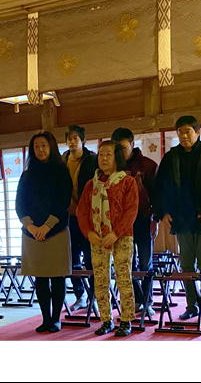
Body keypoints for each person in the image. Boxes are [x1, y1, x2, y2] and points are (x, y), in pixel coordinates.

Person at [155, 115, 201, 322]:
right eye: (180, 132)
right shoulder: (171, 157)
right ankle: (191, 305)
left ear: (197, 132)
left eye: (188, 131)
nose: (184, 136)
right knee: (186, 264)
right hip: (181, 218)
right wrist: (164, 212)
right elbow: (162, 187)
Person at [76, 139, 141, 336]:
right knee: (100, 280)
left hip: (121, 237)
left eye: (108, 154)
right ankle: (106, 320)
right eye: (101, 154)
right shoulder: (90, 184)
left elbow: (131, 211)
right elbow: (82, 212)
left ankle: (126, 320)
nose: (103, 158)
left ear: (116, 158)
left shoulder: (128, 182)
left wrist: (115, 233)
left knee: (123, 278)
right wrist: (89, 233)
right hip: (97, 238)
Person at [16, 131, 73, 334]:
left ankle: (56, 319)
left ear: (51, 147)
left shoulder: (60, 170)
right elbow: (20, 203)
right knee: (40, 278)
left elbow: (63, 200)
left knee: (57, 278)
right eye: (36, 146)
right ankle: (45, 319)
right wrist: (31, 226)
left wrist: (47, 226)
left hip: (56, 231)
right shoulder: (27, 174)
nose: (40, 149)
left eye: (44, 146)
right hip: (32, 233)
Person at [111, 127, 157, 319]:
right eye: (117, 148)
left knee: (145, 264)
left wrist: (156, 219)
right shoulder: (112, 168)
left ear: (131, 143)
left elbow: (157, 195)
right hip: (121, 224)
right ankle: (136, 300)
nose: (120, 152)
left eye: (123, 147)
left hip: (144, 220)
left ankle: (148, 302)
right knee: (126, 264)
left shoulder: (147, 165)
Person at [61, 125, 97, 310]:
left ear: (83, 140)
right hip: (68, 217)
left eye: (76, 138)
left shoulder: (92, 160)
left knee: (91, 259)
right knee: (71, 259)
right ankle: (80, 295)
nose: (72, 141)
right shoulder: (62, 161)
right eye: (69, 138)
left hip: (88, 217)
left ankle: (94, 297)